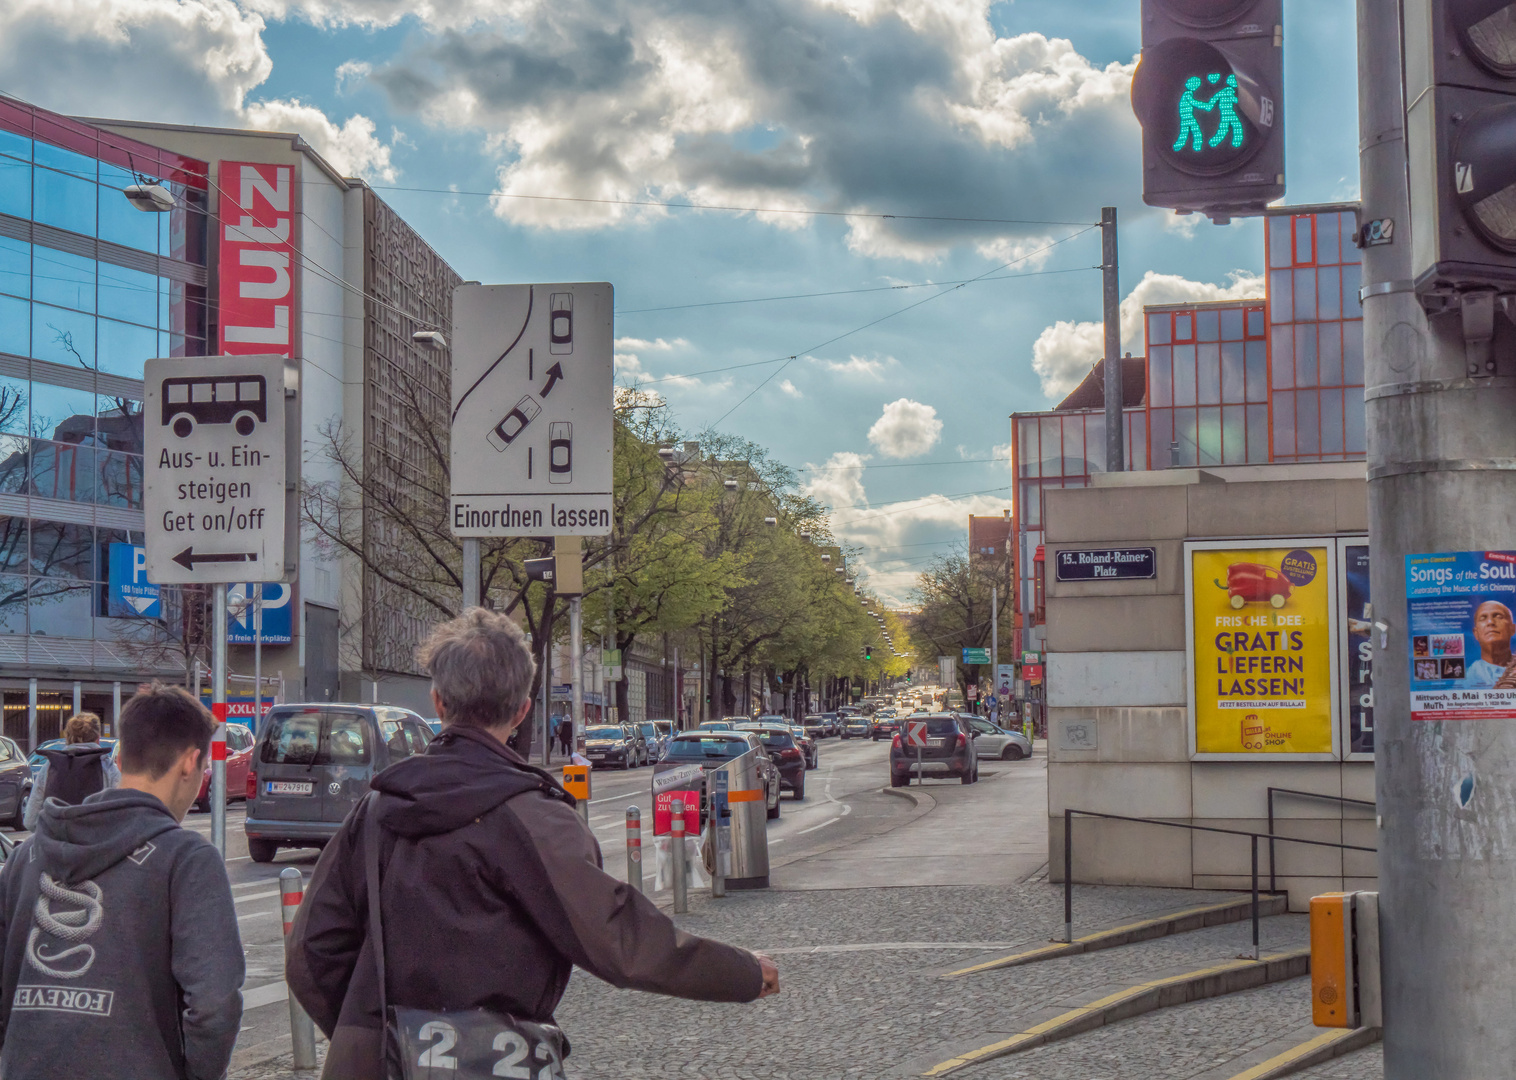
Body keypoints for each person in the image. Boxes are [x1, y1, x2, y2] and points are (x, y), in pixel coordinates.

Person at [288, 608, 778, 1078]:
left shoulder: (376, 809)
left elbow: (312, 953)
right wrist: (741, 972)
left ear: (437, 702)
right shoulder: (532, 814)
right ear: (523, 709)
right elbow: (616, 936)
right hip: (495, 1062)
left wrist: (375, 1036)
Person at [0, 684, 244, 1080]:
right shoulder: (184, 859)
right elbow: (214, 1002)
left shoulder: (25, 857)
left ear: (120, 754)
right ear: (190, 761)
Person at [23, 712, 121, 830]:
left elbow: (30, 820)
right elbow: (121, 815)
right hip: (95, 844)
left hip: (56, 845)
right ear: (97, 739)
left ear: (68, 738)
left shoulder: (50, 766)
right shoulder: (106, 766)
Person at [1465, 601, 1515, 687]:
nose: (1490, 622)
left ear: (1512, 629)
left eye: (1498, 616)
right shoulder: (1465, 679)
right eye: (1483, 618)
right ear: (1476, 633)